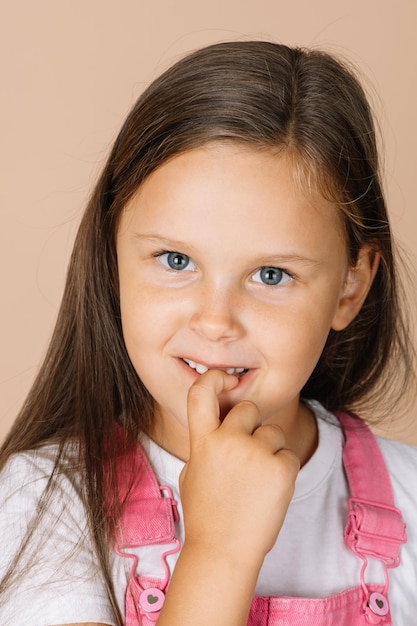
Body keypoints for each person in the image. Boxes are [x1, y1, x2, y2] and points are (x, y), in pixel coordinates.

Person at [0, 40, 416, 626]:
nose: (215, 320)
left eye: (272, 274)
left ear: (350, 288)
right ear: (112, 257)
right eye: (175, 261)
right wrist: (219, 551)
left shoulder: (410, 496)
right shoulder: (47, 501)